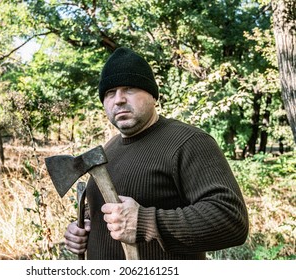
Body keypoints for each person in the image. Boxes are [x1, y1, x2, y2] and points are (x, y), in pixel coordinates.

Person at [64, 47, 249, 260]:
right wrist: (82, 228)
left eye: (130, 89)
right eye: (109, 93)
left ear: (153, 95)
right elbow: (107, 212)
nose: (119, 99)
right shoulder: (109, 149)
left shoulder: (187, 142)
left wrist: (146, 222)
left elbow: (232, 222)